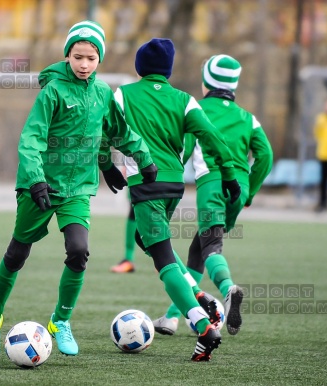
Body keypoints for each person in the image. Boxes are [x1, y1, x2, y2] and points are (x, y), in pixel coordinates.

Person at [0, 20, 157, 360]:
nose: (84, 64)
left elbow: (118, 131)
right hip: (41, 185)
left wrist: (143, 159)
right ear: (68, 55)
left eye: (91, 58)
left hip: (78, 189)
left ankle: (60, 321)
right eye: (78, 57)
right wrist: (35, 179)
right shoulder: (53, 91)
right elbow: (30, 139)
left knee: (79, 251)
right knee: (17, 255)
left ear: (99, 59)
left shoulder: (103, 93)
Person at [101, 38, 242, 361]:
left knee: (163, 259)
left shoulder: (124, 94)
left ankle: (203, 326)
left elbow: (104, 131)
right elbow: (212, 137)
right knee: (146, 238)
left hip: (145, 186)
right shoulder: (185, 100)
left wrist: (107, 165)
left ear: (139, 68)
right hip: (173, 188)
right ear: (168, 70)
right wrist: (231, 174)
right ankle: (199, 294)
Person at [152, 54, 273, 337]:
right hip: (238, 191)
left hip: (212, 187)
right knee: (197, 251)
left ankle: (229, 289)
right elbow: (266, 156)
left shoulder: (197, 109)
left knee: (210, 248)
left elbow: (182, 150)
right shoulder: (248, 118)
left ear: (206, 82)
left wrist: (164, 181)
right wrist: (249, 192)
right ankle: (171, 317)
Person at [110, 168, 138, 273]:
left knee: (138, 212)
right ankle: (163, 261)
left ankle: (129, 259)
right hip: (166, 173)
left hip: (148, 173)